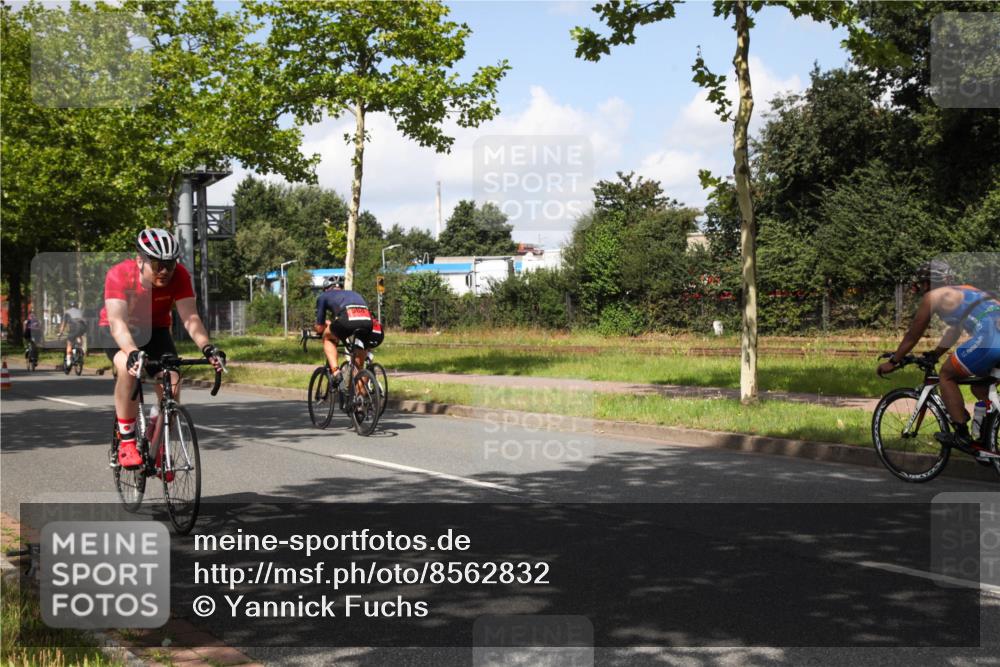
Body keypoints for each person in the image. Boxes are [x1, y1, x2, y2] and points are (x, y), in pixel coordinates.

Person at [100, 228, 225, 469]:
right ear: (140, 260)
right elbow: (117, 323)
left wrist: (207, 348)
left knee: (173, 377)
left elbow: (190, 317)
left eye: (170, 264)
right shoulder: (119, 274)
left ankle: (159, 440)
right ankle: (126, 440)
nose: (165, 271)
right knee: (129, 369)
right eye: (157, 264)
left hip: (156, 330)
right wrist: (132, 352)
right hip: (118, 331)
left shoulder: (179, 276)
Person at [877, 260, 1000, 457]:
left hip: (990, 339)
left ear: (928, 283)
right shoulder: (967, 289)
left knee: (947, 375)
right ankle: (988, 440)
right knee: (980, 387)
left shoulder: (933, 296)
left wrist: (893, 361)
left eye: (921, 283)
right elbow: (955, 330)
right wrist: (935, 354)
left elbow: (913, 335)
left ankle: (961, 434)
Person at [313, 275, 375, 386]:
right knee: (359, 367)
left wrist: (326, 325)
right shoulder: (354, 293)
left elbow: (319, 327)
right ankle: (361, 398)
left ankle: (336, 372)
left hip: (347, 319)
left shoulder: (323, 296)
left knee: (327, 338)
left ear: (326, 288)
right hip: (367, 321)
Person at [59, 301, 87, 369]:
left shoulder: (67, 312)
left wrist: (60, 333)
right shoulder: (80, 311)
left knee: (69, 343)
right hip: (82, 327)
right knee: (79, 336)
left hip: (74, 328)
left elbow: (63, 324)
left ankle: (68, 361)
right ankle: (81, 348)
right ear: (76, 306)